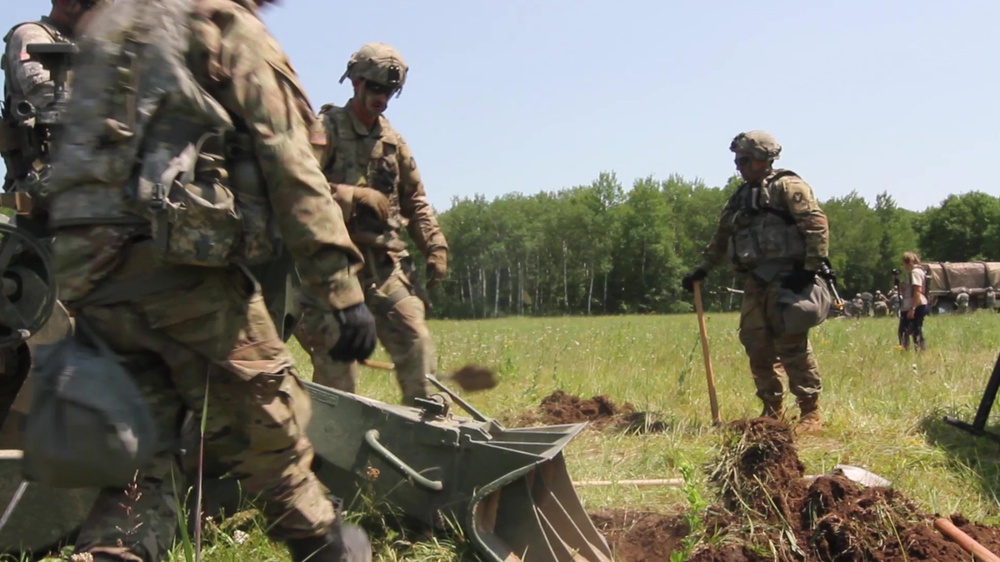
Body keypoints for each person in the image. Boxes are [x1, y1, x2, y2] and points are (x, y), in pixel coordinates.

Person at [45, 0, 377, 560]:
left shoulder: (114, 20)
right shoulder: (223, 24)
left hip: (87, 276)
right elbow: (289, 161)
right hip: (180, 269)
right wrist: (342, 287)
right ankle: (328, 547)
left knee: (142, 459)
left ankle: (114, 550)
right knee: (272, 431)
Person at [296, 42, 449, 406]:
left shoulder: (394, 142)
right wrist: (351, 195)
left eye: (389, 91)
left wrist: (435, 244)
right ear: (356, 83)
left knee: (416, 338)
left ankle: (427, 433)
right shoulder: (324, 129)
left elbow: (416, 200)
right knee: (339, 351)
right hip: (332, 262)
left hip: (384, 264)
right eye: (375, 88)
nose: (382, 98)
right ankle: (333, 443)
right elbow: (295, 184)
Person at [682, 130, 829, 433]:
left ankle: (810, 412)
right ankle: (771, 411)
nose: (739, 165)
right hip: (755, 281)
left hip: (788, 279)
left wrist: (809, 269)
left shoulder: (789, 187)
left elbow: (816, 225)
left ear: (763, 159)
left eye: (744, 160)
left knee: (791, 343)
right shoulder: (739, 198)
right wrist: (702, 269)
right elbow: (721, 237)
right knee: (756, 344)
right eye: (737, 160)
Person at [1, 0, 101, 235]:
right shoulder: (32, 35)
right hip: (42, 174)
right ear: (69, 4)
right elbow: (44, 95)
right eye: (94, 7)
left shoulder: (91, 45)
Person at [897, 252, 928, 351]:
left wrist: (913, 309)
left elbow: (917, 291)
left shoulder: (915, 272)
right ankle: (916, 352)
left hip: (914, 306)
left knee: (909, 332)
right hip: (912, 305)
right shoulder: (915, 272)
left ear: (907, 262)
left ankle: (916, 352)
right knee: (912, 331)